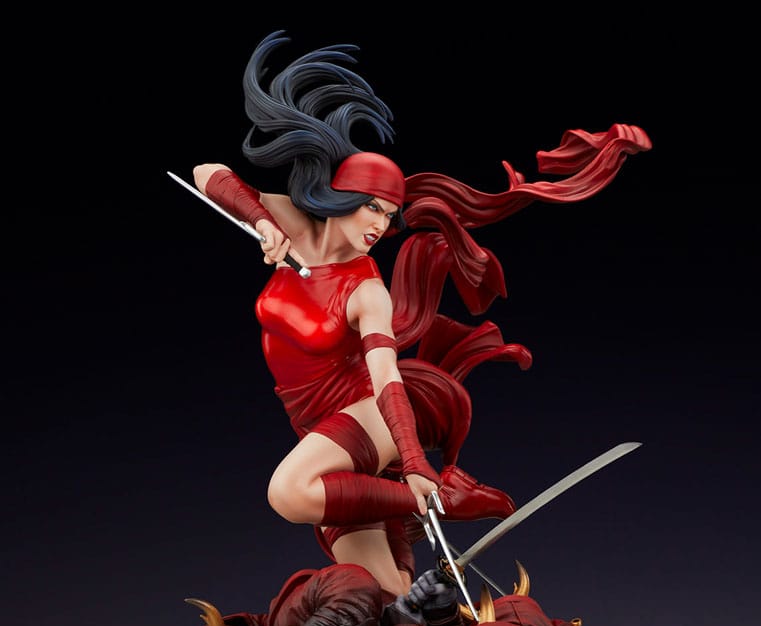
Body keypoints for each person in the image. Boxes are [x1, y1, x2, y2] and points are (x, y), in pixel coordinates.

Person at [188, 30, 651, 597]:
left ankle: (431, 495)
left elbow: (386, 379)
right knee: (389, 593)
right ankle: (424, 569)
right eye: (372, 208)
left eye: (390, 215)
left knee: (287, 492)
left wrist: (412, 461)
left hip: (368, 416)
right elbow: (206, 173)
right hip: (314, 426)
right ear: (339, 197)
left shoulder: (368, 290)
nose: (380, 225)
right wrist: (260, 220)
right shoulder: (291, 227)